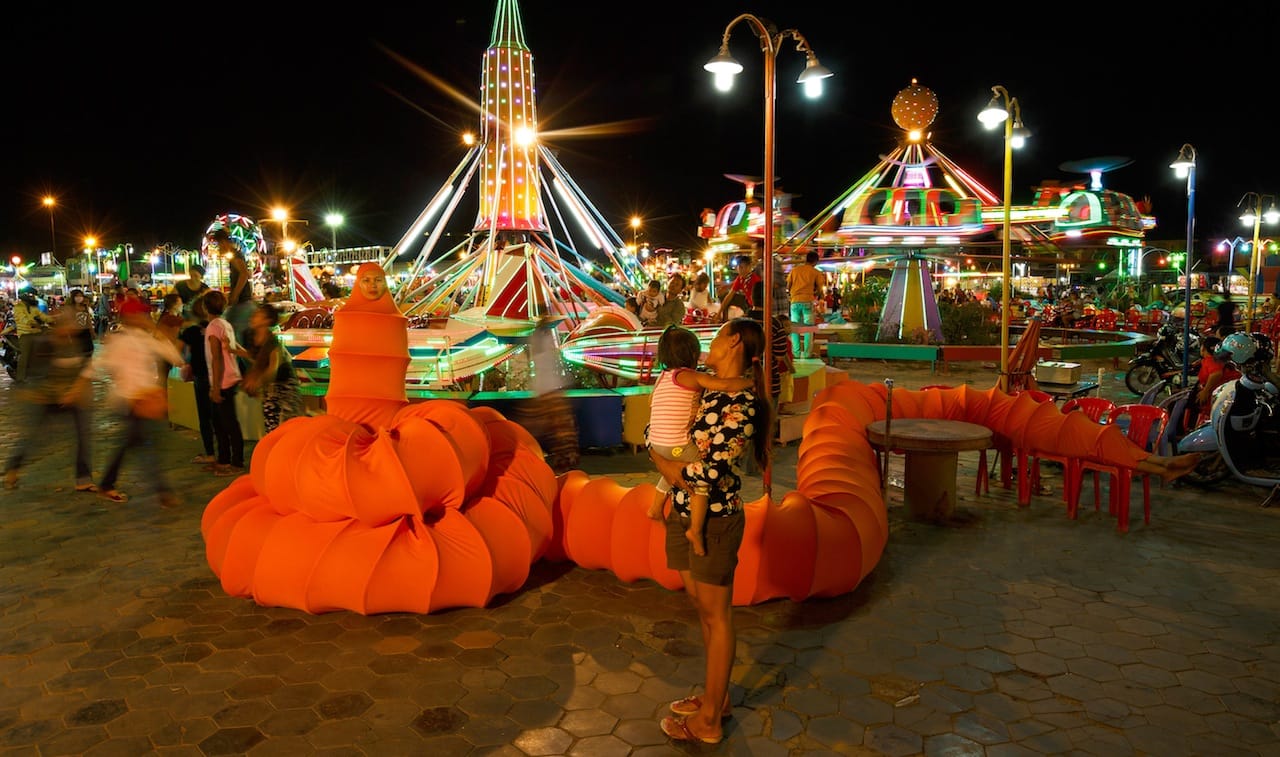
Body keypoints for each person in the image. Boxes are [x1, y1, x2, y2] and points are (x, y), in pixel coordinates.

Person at [650, 317, 771, 746]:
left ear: (733, 341)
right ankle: (715, 699)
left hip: (715, 519)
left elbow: (710, 471)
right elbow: (658, 427)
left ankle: (709, 724)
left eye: (718, 335)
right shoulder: (702, 389)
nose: (711, 342)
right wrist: (660, 452)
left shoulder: (742, 403)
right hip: (683, 513)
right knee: (703, 610)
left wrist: (662, 463)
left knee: (717, 617)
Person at [644, 325, 752, 557]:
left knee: (670, 466)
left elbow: (654, 408)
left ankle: (655, 507)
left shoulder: (663, 377)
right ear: (693, 354)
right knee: (700, 484)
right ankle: (695, 530)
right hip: (675, 446)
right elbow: (723, 385)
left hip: (658, 441)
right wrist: (748, 383)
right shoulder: (693, 377)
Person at [95, 298, 188, 506]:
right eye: (141, 314)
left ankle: (107, 484)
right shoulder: (122, 340)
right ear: (131, 317)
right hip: (131, 401)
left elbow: (173, 357)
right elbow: (103, 366)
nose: (145, 317)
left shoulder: (142, 338)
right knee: (147, 445)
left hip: (141, 400)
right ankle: (162, 491)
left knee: (132, 443)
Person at [3, 308, 97, 493]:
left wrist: (77, 390)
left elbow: (85, 368)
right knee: (35, 437)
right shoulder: (45, 344)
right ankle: (13, 467)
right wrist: (56, 393)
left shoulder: (77, 343)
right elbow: (39, 375)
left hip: (72, 397)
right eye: (67, 325)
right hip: (47, 397)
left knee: (83, 435)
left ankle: (83, 479)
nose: (70, 329)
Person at [203, 289, 247, 476]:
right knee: (220, 422)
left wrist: (215, 387)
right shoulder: (225, 324)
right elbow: (232, 348)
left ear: (205, 307)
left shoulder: (213, 327)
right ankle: (224, 460)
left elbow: (217, 358)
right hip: (230, 376)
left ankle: (236, 462)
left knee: (227, 424)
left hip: (223, 380)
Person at [242, 303, 303, 434]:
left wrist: (258, 381)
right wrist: (233, 349)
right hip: (271, 388)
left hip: (286, 388)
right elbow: (255, 359)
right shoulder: (253, 338)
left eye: (258, 315)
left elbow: (272, 369)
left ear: (267, 321)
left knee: (287, 428)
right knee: (272, 427)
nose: (253, 316)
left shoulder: (272, 341)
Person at [179, 293, 216, 464]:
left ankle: (210, 452)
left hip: (201, 376)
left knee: (204, 416)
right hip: (219, 376)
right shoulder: (219, 327)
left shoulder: (191, 332)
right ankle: (226, 454)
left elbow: (181, 352)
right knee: (219, 416)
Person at [787, 251, 826, 358]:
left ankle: (796, 353)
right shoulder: (815, 272)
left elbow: (788, 285)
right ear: (815, 261)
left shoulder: (795, 270)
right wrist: (819, 296)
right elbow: (820, 288)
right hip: (807, 302)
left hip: (794, 302)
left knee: (795, 328)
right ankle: (807, 353)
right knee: (808, 329)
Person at [12, 289, 51, 383]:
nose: (33, 297)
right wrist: (34, 323)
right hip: (26, 333)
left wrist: (54, 319)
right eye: (31, 295)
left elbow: (43, 316)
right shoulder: (18, 308)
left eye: (33, 295)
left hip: (37, 331)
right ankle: (20, 377)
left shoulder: (34, 307)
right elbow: (24, 319)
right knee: (25, 355)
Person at [719, 256, 760, 322]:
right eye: (739, 267)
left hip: (756, 308)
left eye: (742, 267)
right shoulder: (740, 279)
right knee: (724, 296)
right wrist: (719, 313)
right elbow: (729, 296)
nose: (740, 270)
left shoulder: (755, 280)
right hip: (749, 305)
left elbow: (758, 300)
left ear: (749, 267)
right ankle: (724, 320)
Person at [62, 288, 96, 356]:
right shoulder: (69, 308)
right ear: (73, 297)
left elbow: (88, 320)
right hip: (75, 332)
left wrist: (92, 332)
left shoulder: (85, 307)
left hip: (85, 332)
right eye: (77, 296)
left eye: (80, 296)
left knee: (88, 352)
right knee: (78, 353)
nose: (79, 298)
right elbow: (67, 321)